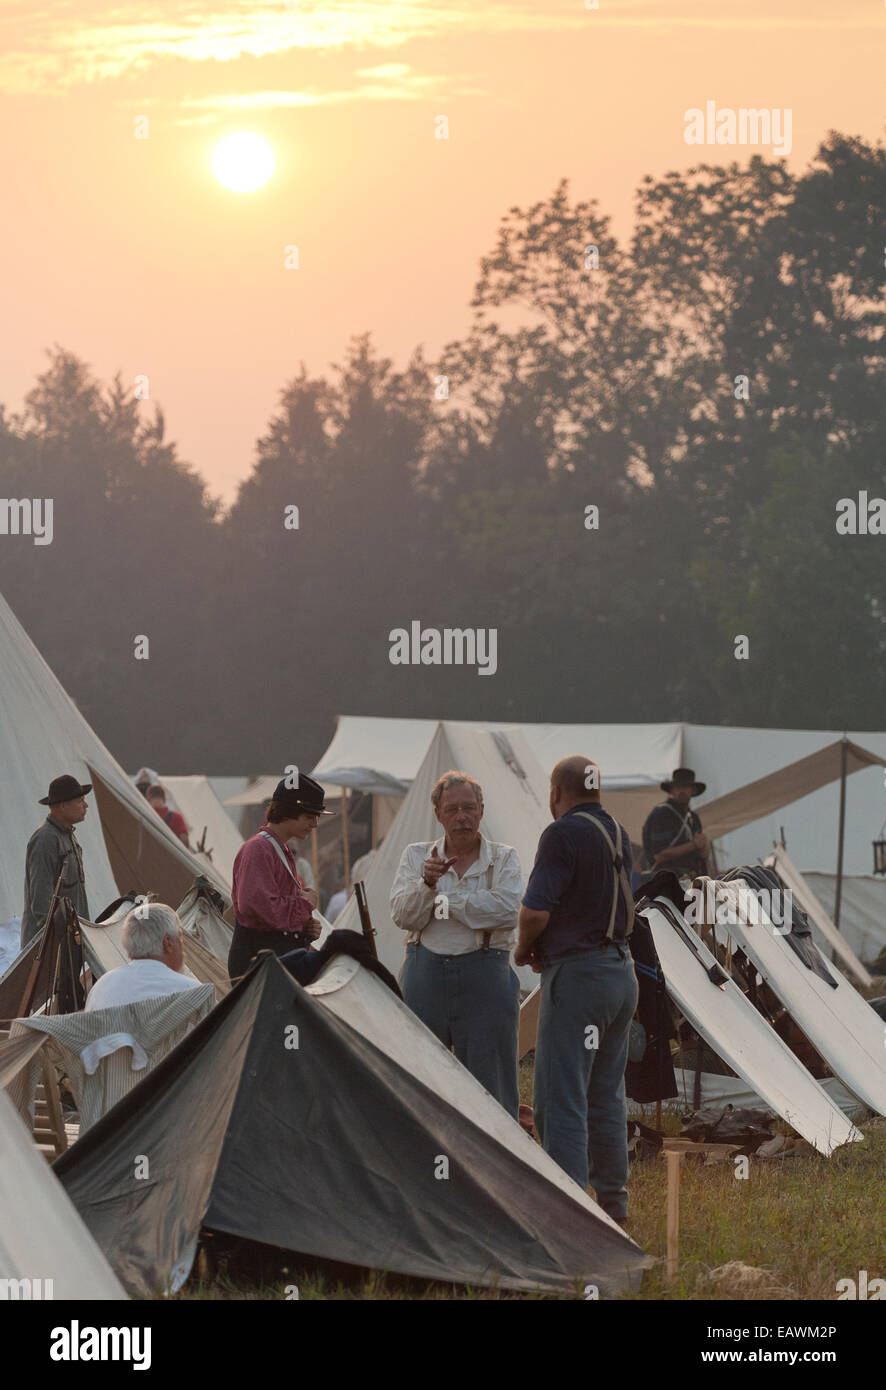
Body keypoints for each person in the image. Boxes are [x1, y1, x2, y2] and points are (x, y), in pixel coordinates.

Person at [515, 755, 638, 1224]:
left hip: (579, 976)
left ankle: (568, 1212)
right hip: (621, 974)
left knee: (560, 1095)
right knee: (605, 1094)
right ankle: (613, 1204)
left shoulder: (562, 833)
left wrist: (524, 949)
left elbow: (534, 912)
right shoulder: (618, 834)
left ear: (555, 793)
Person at [390, 770, 522, 1117]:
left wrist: (446, 902)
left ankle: (499, 1155)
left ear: (481, 810)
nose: (461, 816)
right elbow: (403, 916)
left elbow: (507, 911)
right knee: (421, 1069)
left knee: (490, 1075)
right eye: (452, 809)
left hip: (485, 968)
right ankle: (422, 1152)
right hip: (425, 969)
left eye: (468, 807)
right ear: (438, 815)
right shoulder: (417, 857)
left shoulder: (504, 858)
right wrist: (426, 885)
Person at [228, 773, 332, 979]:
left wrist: (305, 927)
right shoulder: (259, 849)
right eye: (309, 816)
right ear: (289, 812)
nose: (315, 824)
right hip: (258, 961)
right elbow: (258, 906)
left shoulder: (277, 849)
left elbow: (277, 913)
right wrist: (305, 905)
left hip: (274, 958)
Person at [21, 775, 92, 947]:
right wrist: (58, 942)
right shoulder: (46, 839)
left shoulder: (67, 836)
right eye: (80, 800)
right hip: (51, 948)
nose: (85, 805)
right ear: (63, 805)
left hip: (68, 943)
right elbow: (41, 903)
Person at [85, 903, 197, 1010]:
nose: (183, 950)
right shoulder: (192, 991)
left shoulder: (100, 988)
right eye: (180, 938)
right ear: (168, 943)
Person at [641, 767, 710, 881]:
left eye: (686, 787)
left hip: (692, 877)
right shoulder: (662, 813)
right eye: (678, 787)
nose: (682, 791)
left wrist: (704, 846)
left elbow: (703, 854)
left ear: (693, 790)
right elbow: (659, 855)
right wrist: (693, 845)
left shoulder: (693, 817)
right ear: (672, 790)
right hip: (667, 879)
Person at [146, 783, 190, 848]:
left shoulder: (145, 816)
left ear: (148, 800)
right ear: (164, 800)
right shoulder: (177, 817)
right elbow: (185, 842)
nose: (156, 800)